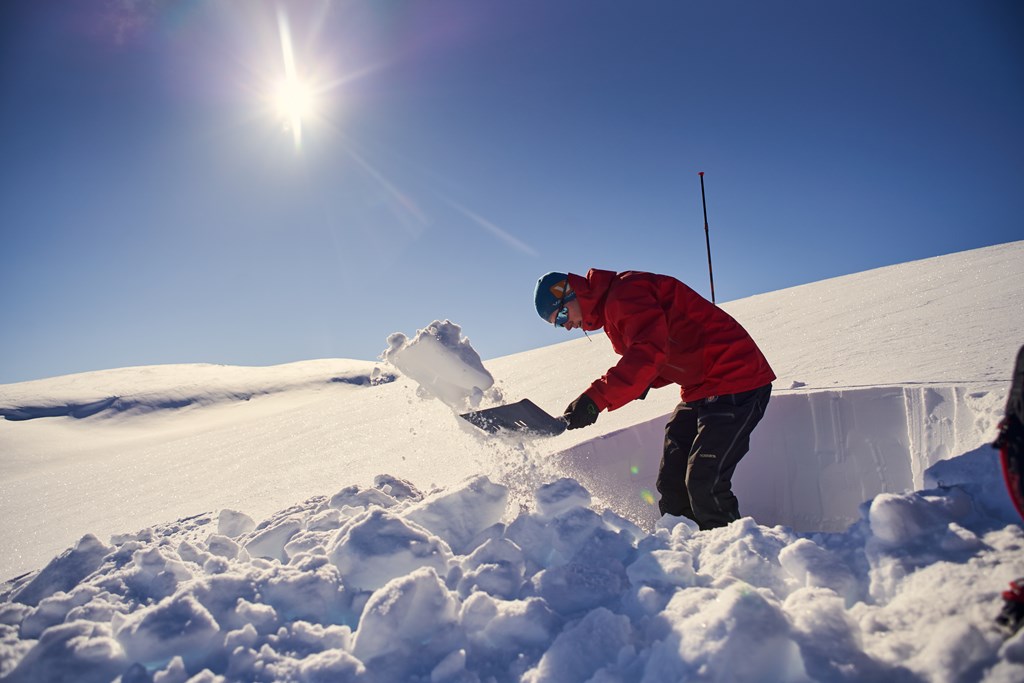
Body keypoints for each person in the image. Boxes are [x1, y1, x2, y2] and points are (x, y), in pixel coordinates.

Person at [534, 269, 776, 530]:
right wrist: (637, 384)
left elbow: (648, 352)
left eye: (561, 315)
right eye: (558, 325)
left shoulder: (625, 293)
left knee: (704, 482)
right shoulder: (613, 311)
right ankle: (689, 549)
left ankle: (736, 557)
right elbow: (658, 356)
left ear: (571, 292)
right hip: (700, 388)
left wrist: (597, 398)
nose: (566, 325)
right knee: (672, 483)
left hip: (736, 377)